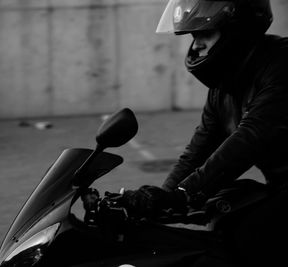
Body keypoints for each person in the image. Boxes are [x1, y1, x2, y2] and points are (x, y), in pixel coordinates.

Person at [85, 0, 288, 266]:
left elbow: (250, 138)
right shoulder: (225, 87)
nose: (196, 45)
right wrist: (154, 203)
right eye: (194, 36)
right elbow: (197, 152)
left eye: (204, 34)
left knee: (252, 233)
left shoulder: (281, 64)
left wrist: (181, 196)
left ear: (238, 32)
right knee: (229, 212)